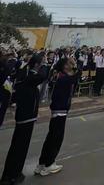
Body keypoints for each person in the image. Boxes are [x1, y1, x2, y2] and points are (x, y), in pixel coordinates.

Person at [1, 53, 47, 185]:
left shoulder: (25, 75)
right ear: (37, 65)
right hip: (26, 117)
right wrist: (43, 64)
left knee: (19, 147)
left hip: (27, 116)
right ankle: (12, 176)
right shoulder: (29, 77)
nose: (44, 64)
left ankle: (12, 173)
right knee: (19, 148)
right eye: (42, 63)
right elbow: (43, 75)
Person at [34, 57, 77, 177]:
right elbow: (74, 77)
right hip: (60, 110)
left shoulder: (61, 75)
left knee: (51, 137)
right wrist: (75, 67)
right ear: (64, 66)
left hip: (58, 109)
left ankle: (42, 163)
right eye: (69, 63)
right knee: (56, 138)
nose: (72, 64)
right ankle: (49, 164)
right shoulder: (63, 77)